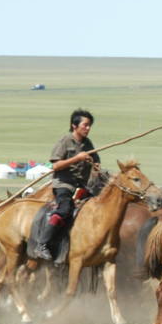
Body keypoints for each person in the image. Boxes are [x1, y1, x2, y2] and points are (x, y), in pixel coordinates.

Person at [36, 109, 100, 260]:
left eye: (90, 125)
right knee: (65, 209)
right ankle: (42, 244)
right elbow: (56, 166)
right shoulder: (65, 141)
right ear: (74, 126)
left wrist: (96, 165)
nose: (88, 128)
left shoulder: (88, 143)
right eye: (85, 125)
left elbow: (96, 160)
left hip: (82, 186)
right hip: (64, 184)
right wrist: (76, 158)